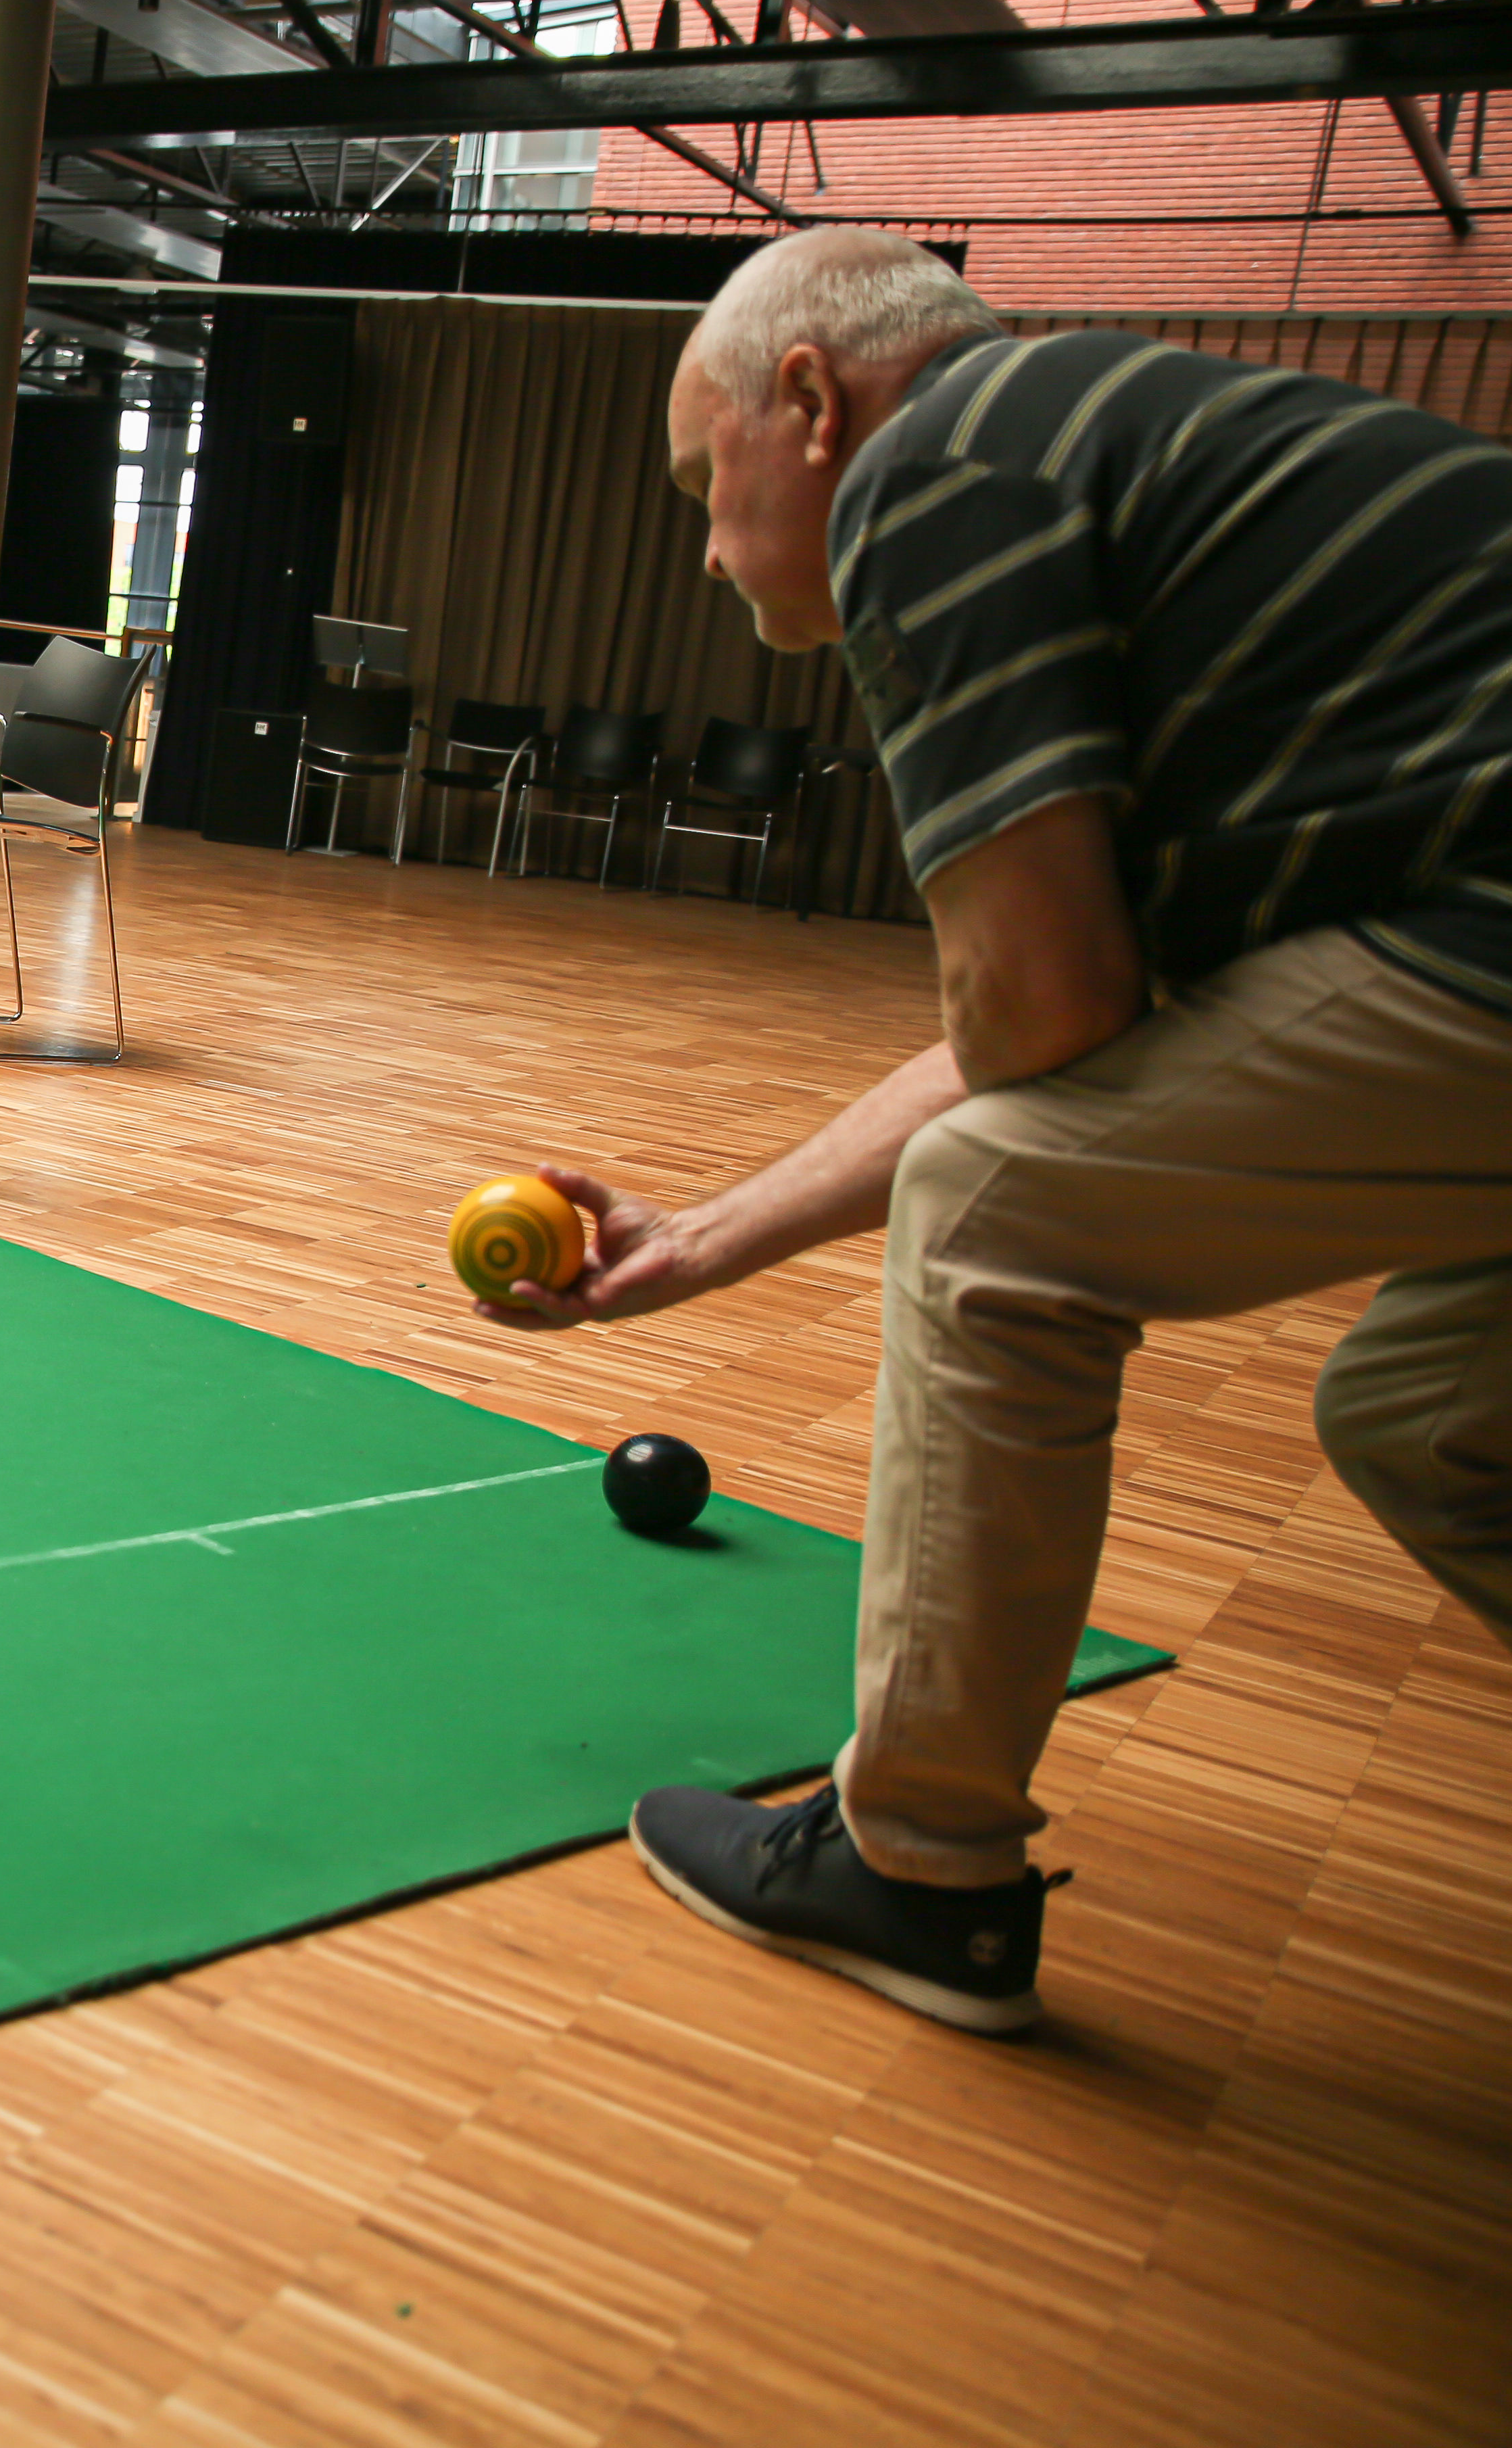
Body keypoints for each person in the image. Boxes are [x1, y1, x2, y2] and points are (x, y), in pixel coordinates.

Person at [500, 228, 1512, 2035]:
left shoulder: (941, 466)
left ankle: (920, 1870)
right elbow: (1059, 1031)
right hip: (1468, 923)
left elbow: (1031, 1034)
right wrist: (700, 1240)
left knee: (987, 1213)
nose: (714, 549)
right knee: (1432, 1419)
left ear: (808, 403)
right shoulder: (1149, 510)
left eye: (698, 483)